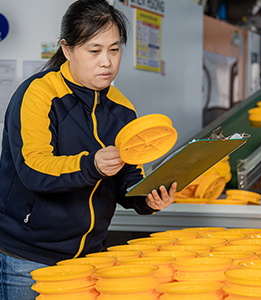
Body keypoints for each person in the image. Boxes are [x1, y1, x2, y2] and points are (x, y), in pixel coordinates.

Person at [0, 0, 176, 298]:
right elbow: (33, 169)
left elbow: (126, 177)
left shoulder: (122, 109)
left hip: (91, 259)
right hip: (28, 259)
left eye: (114, 49)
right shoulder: (38, 93)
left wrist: (147, 199)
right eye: (94, 51)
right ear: (67, 49)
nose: (106, 62)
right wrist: (91, 165)